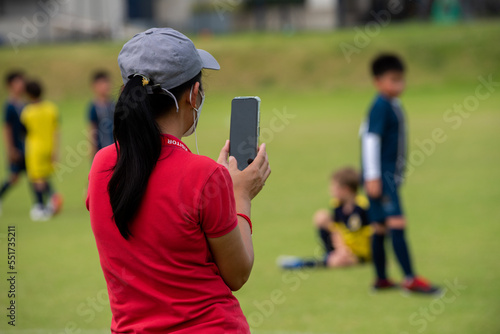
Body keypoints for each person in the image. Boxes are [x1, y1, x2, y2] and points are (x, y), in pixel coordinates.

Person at [86, 28, 271, 333]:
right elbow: (237, 273)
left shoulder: (101, 165)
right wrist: (240, 196)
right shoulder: (205, 175)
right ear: (193, 95)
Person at [360, 54, 439, 294]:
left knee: (380, 226)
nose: (399, 85)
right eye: (393, 80)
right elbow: (370, 139)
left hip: (386, 176)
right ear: (378, 81)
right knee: (396, 222)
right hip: (382, 177)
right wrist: (373, 176)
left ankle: (381, 279)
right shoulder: (381, 105)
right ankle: (410, 279)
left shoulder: (391, 104)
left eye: (401, 80)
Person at [277, 167, 372, 269]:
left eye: (334, 187)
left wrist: (349, 253)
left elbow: (369, 234)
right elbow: (336, 230)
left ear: (346, 190)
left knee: (337, 262)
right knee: (321, 216)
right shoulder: (337, 205)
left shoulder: (362, 207)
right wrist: (341, 248)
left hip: (359, 253)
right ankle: (330, 254)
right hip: (343, 248)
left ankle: (303, 263)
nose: (331, 190)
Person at [21, 80, 63, 221]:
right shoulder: (51, 108)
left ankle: (41, 206)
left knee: (36, 178)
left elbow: (23, 131)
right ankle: (53, 198)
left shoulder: (27, 112)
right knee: (44, 176)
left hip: (35, 148)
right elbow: (56, 130)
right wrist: (55, 150)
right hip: (49, 147)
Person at [0, 71, 26, 215]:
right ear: (10, 85)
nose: (21, 85)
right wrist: (10, 149)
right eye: (18, 82)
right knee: (13, 177)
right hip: (16, 147)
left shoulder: (24, 103)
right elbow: (7, 128)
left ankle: (42, 204)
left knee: (36, 176)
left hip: (27, 147)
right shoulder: (9, 105)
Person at [88, 70, 115, 158]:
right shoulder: (94, 108)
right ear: (94, 86)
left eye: (106, 83)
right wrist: (92, 149)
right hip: (101, 150)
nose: (104, 86)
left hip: (115, 149)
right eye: (101, 84)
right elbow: (92, 129)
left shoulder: (114, 105)